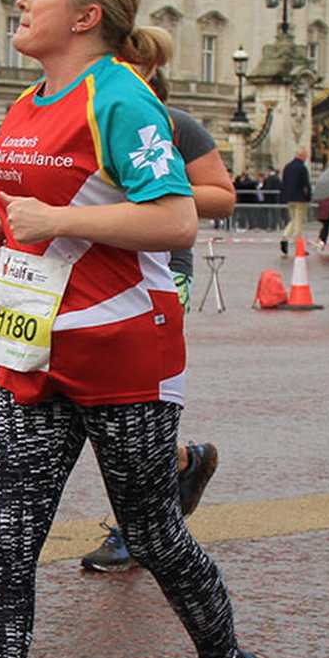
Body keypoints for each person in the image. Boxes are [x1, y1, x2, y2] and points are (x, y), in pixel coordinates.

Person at [0, 0, 264, 658]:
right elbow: (48, 217)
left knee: (153, 534)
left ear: (85, 17)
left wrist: (50, 219)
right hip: (35, 349)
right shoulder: (25, 102)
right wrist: (5, 231)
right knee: (9, 545)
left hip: (124, 349)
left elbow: (177, 221)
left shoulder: (121, 98)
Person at [78, 52, 227, 574]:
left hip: (161, 272)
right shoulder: (81, 114)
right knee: (110, 414)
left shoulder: (171, 122)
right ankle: (185, 460)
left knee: (131, 404)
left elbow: (223, 196)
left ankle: (135, 530)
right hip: (91, 273)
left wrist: (157, 186)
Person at [278, 152, 310, 254]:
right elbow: (306, 184)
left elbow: (284, 183)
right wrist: (308, 197)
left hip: (289, 198)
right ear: (302, 156)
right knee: (298, 223)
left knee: (293, 220)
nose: (306, 159)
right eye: (305, 156)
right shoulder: (302, 168)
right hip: (300, 198)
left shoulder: (287, 167)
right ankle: (299, 247)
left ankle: (284, 237)